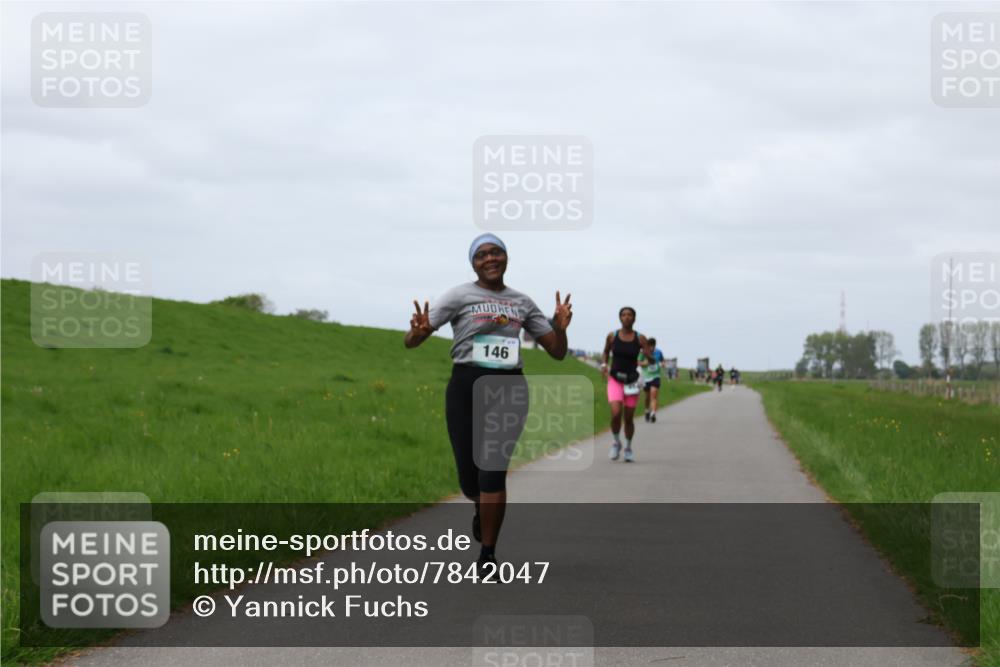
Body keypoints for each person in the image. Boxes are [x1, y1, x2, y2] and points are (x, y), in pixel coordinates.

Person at [404, 233, 573, 575]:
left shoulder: (522, 302)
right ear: (473, 263)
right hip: (465, 385)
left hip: (508, 388)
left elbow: (556, 351)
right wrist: (419, 332)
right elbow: (411, 341)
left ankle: (488, 555)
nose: (490, 259)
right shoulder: (458, 295)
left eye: (496, 252)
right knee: (471, 481)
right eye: (482, 255)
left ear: (506, 258)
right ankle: (481, 506)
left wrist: (560, 326)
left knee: (493, 473)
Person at [600, 307, 652, 462]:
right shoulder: (612, 336)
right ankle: (616, 442)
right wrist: (604, 365)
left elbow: (649, 357)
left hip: (632, 382)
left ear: (634, 318)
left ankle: (628, 447)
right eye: (624, 315)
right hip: (615, 379)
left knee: (628, 418)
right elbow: (605, 352)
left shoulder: (640, 338)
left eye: (630, 315)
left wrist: (649, 360)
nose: (627, 317)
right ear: (620, 318)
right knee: (616, 413)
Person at [639, 337, 664, 423]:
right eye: (650, 346)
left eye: (653, 346)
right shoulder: (643, 352)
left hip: (656, 376)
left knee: (653, 396)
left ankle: (653, 413)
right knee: (647, 397)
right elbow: (637, 362)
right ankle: (647, 410)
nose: (652, 348)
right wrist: (644, 363)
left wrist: (663, 364)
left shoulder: (658, 352)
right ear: (647, 345)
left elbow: (662, 360)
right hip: (646, 377)